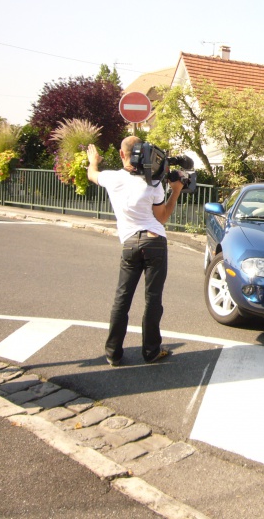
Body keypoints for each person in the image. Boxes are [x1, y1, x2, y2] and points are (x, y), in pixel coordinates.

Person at [86, 137, 184, 366]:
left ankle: (113, 353)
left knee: (122, 298)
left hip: (129, 243)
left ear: (122, 154)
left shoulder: (112, 178)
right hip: (154, 242)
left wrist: (94, 160)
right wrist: (176, 191)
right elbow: (162, 217)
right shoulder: (153, 183)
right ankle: (151, 351)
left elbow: (92, 174)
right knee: (152, 299)